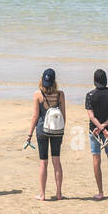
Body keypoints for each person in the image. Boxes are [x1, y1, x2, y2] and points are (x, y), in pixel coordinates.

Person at [27, 67, 66, 200]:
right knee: (56, 161)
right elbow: (63, 115)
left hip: (42, 131)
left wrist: (29, 134)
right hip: (57, 131)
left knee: (43, 162)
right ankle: (59, 193)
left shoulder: (38, 94)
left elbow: (35, 116)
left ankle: (42, 194)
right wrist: (62, 131)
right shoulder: (60, 94)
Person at [85, 68, 108, 200]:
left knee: (96, 160)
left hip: (94, 131)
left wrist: (100, 127)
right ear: (106, 80)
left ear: (94, 81)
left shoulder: (90, 95)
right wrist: (105, 128)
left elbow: (91, 116)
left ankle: (100, 192)